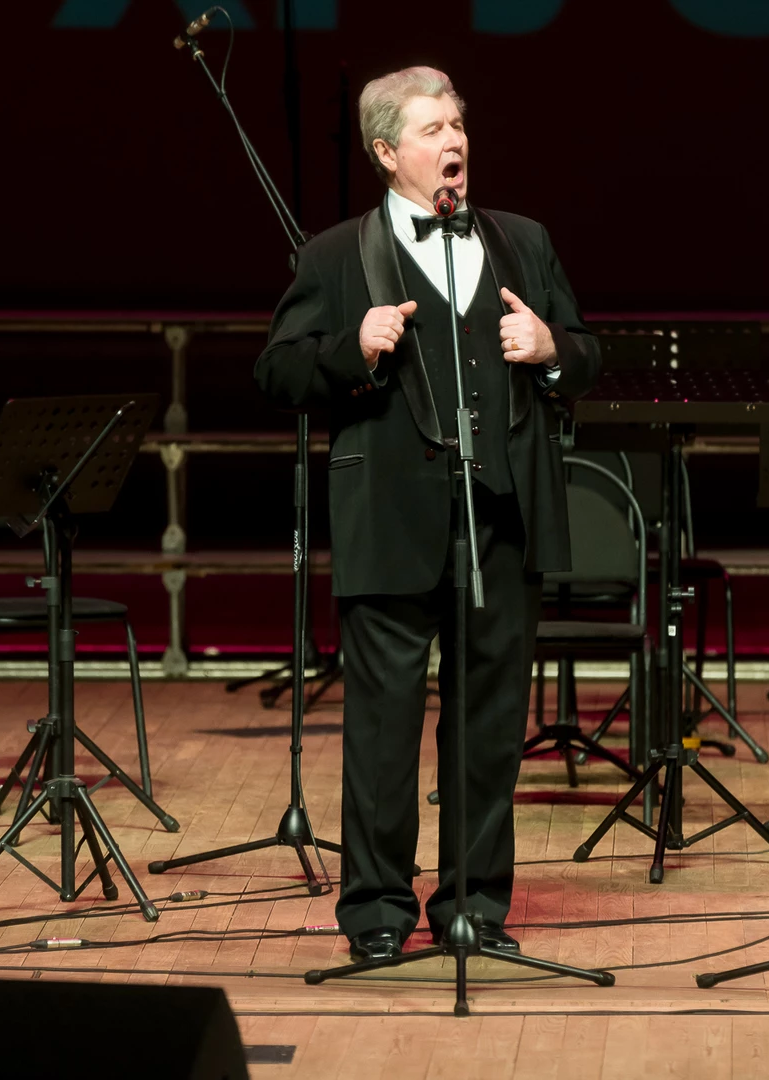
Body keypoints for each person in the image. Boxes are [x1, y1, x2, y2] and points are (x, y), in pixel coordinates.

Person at [254, 65, 601, 963]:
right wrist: (352, 348)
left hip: (502, 513)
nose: (453, 142)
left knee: (487, 725)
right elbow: (276, 370)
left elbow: (586, 353)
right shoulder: (337, 255)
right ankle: (376, 908)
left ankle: (473, 905)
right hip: (390, 516)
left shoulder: (523, 240)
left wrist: (550, 349)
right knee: (382, 726)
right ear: (385, 151)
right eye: (431, 130)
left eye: (457, 125)